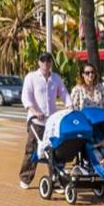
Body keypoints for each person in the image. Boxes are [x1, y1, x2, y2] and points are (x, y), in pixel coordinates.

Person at [19, 53, 72, 190]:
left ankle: (56, 179)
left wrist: (69, 106)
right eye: (43, 60)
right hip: (37, 121)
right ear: (39, 62)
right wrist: (34, 111)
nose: (46, 63)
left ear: (51, 63)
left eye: (48, 61)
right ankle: (25, 177)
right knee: (32, 149)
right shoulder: (31, 77)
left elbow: (64, 93)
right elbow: (26, 96)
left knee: (55, 150)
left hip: (52, 122)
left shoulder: (56, 78)